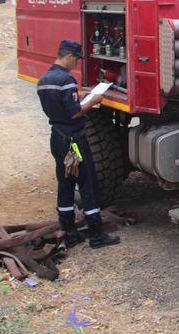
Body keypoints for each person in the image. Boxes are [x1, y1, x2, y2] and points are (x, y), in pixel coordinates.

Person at [36, 39, 120, 249]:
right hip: (73, 143)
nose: (76, 64)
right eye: (76, 59)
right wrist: (92, 101)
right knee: (86, 183)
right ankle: (96, 235)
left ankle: (69, 231)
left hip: (58, 138)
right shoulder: (66, 80)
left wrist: (78, 95)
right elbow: (74, 113)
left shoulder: (45, 79)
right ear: (69, 56)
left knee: (65, 182)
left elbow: (60, 104)